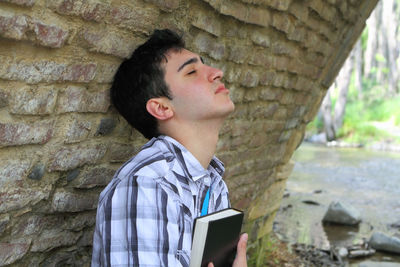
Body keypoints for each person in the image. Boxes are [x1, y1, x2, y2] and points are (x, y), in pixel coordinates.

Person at [91, 29, 248, 267]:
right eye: (192, 71)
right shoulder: (146, 185)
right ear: (162, 108)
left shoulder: (213, 183)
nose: (217, 73)